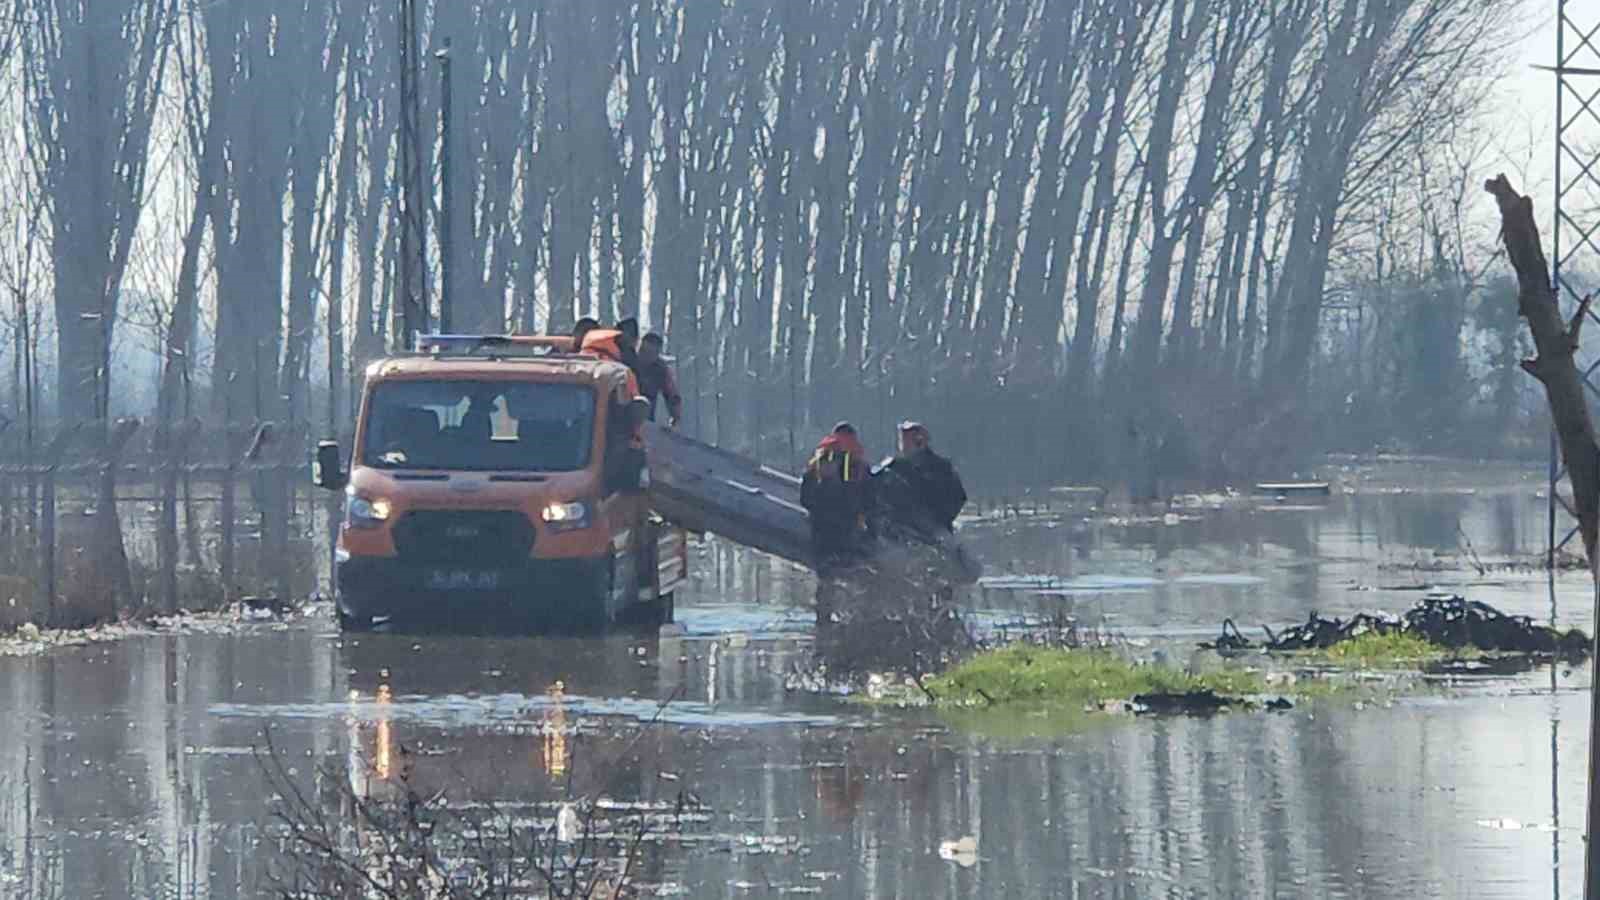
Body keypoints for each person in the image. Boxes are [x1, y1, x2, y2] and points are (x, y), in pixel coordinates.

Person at [801, 423, 873, 609]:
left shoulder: (824, 461)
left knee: (830, 578)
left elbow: (806, 498)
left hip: (834, 530)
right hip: (839, 530)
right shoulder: (829, 463)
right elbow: (868, 500)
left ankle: (830, 618)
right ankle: (838, 618)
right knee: (839, 577)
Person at [870, 421, 967, 544]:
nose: (904, 444)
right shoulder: (892, 468)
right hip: (902, 535)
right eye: (902, 439)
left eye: (909, 438)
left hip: (935, 533)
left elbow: (958, 497)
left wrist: (937, 519)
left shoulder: (941, 467)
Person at [634, 332, 684, 427]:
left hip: (646, 421)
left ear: (656, 354)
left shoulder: (660, 370)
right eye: (643, 350)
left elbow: (672, 395)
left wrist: (675, 416)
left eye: (650, 353)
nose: (645, 356)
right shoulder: (629, 361)